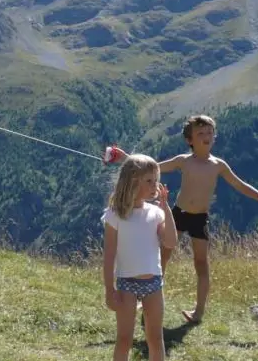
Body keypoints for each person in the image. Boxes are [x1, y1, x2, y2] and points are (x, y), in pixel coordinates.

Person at [158, 114, 258, 324]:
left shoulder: (218, 165)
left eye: (209, 133)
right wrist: (126, 159)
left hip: (200, 218)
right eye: (200, 133)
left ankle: (199, 312)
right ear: (190, 140)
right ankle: (150, 298)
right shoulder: (183, 161)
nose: (206, 136)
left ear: (214, 136)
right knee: (163, 257)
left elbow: (240, 185)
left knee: (201, 263)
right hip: (179, 214)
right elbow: (154, 167)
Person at [102, 154, 178, 361]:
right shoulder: (116, 214)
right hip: (126, 284)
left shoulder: (156, 213)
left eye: (156, 180)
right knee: (124, 338)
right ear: (133, 181)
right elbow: (109, 255)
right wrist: (110, 290)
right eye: (149, 181)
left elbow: (170, 242)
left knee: (155, 338)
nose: (155, 185)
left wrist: (166, 209)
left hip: (154, 283)